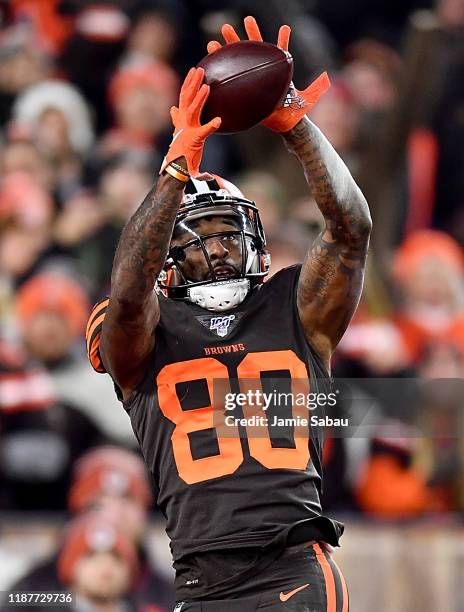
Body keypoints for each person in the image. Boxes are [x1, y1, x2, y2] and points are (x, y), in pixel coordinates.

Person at [86, 16, 371, 611]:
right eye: (198, 237)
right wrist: (174, 172)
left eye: (227, 234)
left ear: (255, 240)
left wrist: (297, 128)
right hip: (199, 577)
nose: (216, 249)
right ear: (169, 257)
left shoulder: (292, 306)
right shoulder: (144, 326)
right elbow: (131, 286)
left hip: (293, 565)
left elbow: (351, 229)